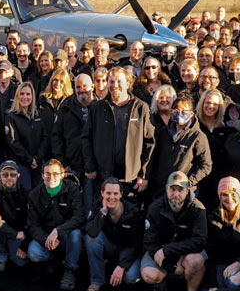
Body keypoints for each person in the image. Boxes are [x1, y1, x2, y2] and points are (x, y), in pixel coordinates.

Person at [81, 67, 155, 201]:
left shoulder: (140, 108)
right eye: (111, 81)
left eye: (119, 82)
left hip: (131, 179)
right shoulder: (97, 108)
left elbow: (149, 143)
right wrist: (90, 167)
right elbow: (87, 139)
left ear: (128, 83)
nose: (115, 86)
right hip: (103, 176)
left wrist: (144, 175)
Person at [141, 171, 207, 291]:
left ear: (187, 190)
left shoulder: (197, 209)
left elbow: (199, 241)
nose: (176, 194)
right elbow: (150, 241)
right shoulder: (155, 207)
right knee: (148, 275)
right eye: (172, 189)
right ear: (166, 189)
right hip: (160, 252)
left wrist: (169, 250)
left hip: (185, 253)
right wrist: (169, 265)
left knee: (196, 261)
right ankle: (162, 280)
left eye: (180, 190)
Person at [26, 159, 85, 291]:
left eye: (55, 173)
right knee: (33, 253)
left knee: (76, 234)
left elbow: (79, 217)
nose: (51, 177)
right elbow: (32, 225)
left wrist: (58, 230)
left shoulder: (72, 189)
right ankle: (52, 259)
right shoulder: (35, 194)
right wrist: (45, 239)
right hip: (47, 237)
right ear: (42, 175)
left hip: (66, 235)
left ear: (62, 175)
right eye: (47, 174)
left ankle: (70, 268)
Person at [85, 177, 144, 291]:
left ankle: (120, 278)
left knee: (131, 277)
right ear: (102, 193)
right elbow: (91, 232)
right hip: (110, 247)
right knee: (91, 239)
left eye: (115, 193)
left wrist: (122, 266)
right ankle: (97, 281)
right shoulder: (98, 207)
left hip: (128, 250)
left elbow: (137, 245)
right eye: (108, 193)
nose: (112, 197)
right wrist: (103, 212)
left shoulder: (133, 211)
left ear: (121, 194)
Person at [147, 95, 212, 197]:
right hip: (160, 189)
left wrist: (187, 183)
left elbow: (206, 166)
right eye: (176, 110)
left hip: (183, 192)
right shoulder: (163, 132)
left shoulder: (198, 136)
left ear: (191, 113)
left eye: (183, 110)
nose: (179, 113)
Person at [52, 73, 95, 209]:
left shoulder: (100, 106)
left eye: (85, 86)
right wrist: (63, 163)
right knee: (72, 204)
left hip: (93, 168)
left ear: (92, 87)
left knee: (90, 204)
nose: (82, 89)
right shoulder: (66, 107)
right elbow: (56, 136)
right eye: (78, 87)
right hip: (71, 166)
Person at [0, 160, 30, 272]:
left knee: (19, 262)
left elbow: (31, 220)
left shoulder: (25, 192)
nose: (9, 177)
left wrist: (24, 243)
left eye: (13, 174)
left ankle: (14, 252)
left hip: (18, 230)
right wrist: (15, 234)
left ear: (18, 176)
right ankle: (1, 256)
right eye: (5, 174)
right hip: (3, 230)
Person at [5, 81, 46, 191]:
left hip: (37, 164)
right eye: (22, 94)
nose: (25, 97)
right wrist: (29, 160)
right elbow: (14, 143)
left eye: (28, 94)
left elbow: (44, 137)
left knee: (39, 194)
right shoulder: (11, 117)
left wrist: (37, 159)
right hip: (21, 164)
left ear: (32, 96)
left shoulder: (38, 115)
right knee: (26, 194)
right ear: (17, 96)